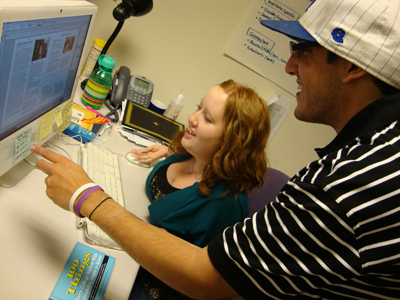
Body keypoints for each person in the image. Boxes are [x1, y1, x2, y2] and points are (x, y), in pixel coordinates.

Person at [31, 0, 400, 299]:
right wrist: (170, 150)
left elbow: (210, 276)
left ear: (352, 67)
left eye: (302, 51)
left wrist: (86, 196)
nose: (289, 66)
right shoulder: (369, 153)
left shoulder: (356, 179)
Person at [127, 80, 270, 299]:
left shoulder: (222, 204)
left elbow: (196, 280)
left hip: (150, 285)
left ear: (230, 141)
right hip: (132, 248)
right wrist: (167, 152)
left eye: (208, 118)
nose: (192, 118)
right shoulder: (190, 154)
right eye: (198, 107)